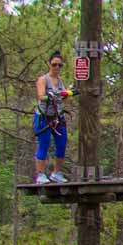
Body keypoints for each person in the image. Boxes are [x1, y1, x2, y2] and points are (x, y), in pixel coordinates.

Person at [32, 52, 73, 183]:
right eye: (54, 64)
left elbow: (62, 97)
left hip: (58, 118)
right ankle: (40, 174)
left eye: (59, 65)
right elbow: (41, 96)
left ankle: (57, 172)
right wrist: (52, 95)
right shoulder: (43, 79)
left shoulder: (60, 81)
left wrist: (66, 94)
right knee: (44, 144)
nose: (57, 67)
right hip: (44, 118)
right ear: (49, 64)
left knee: (61, 144)